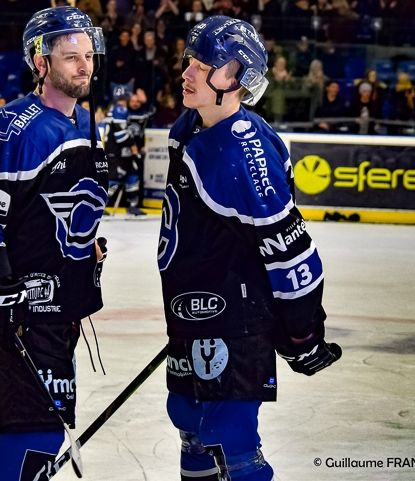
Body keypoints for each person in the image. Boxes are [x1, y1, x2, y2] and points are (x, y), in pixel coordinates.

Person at [158, 16, 341, 481]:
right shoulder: (191, 128)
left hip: (234, 322)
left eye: (203, 65)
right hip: (193, 313)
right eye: (188, 62)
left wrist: (302, 333)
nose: (186, 73)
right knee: (190, 423)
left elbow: (291, 252)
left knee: (229, 436)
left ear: (238, 79)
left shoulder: (243, 152)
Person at [0, 7, 108, 480]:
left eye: (88, 56)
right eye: (70, 57)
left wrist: (85, 249)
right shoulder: (13, 126)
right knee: (31, 432)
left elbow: (56, 210)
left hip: (58, 311)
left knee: (43, 429)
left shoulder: (84, 123)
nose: (84, 66)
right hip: (19, 313)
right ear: (40, 63)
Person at [104, 85, 145, 215]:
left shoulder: (115, 109)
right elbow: (120, 136)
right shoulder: (120, 109)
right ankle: (98, 206)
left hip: (123, 153)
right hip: (116, 153)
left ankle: (132, 206)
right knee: (113, 180)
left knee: (132, 176)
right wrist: (133, 145)